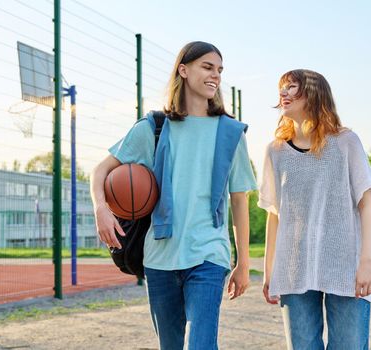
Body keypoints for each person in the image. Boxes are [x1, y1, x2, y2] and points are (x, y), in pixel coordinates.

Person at [90, 41, 257, 350]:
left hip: (209, 255)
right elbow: (100, 171)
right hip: (159, 258)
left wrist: (242, 262)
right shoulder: (153, 128)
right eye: (207, 67)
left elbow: (239, 201)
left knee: (201, 344)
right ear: (183, 70)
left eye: (219, 70)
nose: (215, 76)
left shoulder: (230, 133)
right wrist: (101, 207)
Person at [258, 69, 371, 349]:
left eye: (293, 87)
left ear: (314, 94)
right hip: (293, 267)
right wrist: (269, 270)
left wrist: (366, 262)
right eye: (283, 87)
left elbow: (366, 206)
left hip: (345, 266)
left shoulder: (345, 142)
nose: (284, 93)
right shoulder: (275, 152)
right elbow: (275, 215)